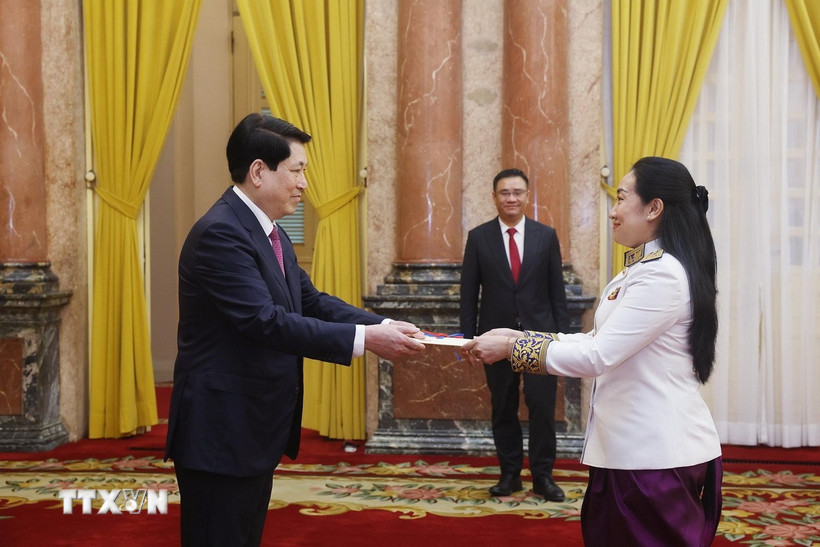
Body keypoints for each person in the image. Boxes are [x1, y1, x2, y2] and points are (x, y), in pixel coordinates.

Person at [164, 113, 426, 546]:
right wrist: (366, 341)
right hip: (220, 431)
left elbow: (310, 301)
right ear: (258, 172)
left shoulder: (269, 231)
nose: (305, 183)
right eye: (298, 170)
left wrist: (381, 323)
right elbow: (263, 321)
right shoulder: (220, 234)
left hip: (249, 428)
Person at [462, 157, 722, 545]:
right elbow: (594, 341)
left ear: (654, 208)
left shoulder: (662, 274)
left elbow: (598, 356)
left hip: (654, 455)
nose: (613, 212)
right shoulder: (638, 269)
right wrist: (514, 338)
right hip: (629, 450)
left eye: (620, 199)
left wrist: (513, 350)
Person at [460, 168, 569, 502]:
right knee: (503, 407)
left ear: (527, 195)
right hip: (494, 339)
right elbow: (468, 293)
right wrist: (468, 338)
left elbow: (556, 291)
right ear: (494, 197)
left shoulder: (545, 235)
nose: (511, 198)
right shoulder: (479, 237)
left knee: (541, 407)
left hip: (540, 338)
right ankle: (509, 475)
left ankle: (543, 477)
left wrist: (562, 340)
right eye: (504, 193)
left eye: (517, 192)